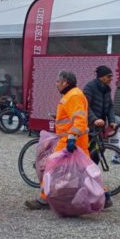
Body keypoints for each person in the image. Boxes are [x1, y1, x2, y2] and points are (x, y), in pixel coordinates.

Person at [25, 71, 91, 211]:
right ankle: (104, 194)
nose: (56, 84)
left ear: (65, 82)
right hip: (75, 139)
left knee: (52, 168)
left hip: (70, 139)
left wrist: (72, 137)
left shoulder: (73, 96)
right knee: (84, 170)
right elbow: (74, 117)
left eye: (57, 81)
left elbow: (79, 120)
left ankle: (43, 199)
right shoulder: (72, 95)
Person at [83, 65, 118, 207]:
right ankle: (85, 180)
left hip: (100, 126)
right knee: (85, 155)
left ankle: (90, 181)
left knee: (97, 153)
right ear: (102, 76)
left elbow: (109, 106)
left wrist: (113, 121)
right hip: (89, 125)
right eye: (109, 76)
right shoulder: (90, 87)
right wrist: (93, 119)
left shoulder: (107, 89)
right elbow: (85, 106)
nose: (111, 79)